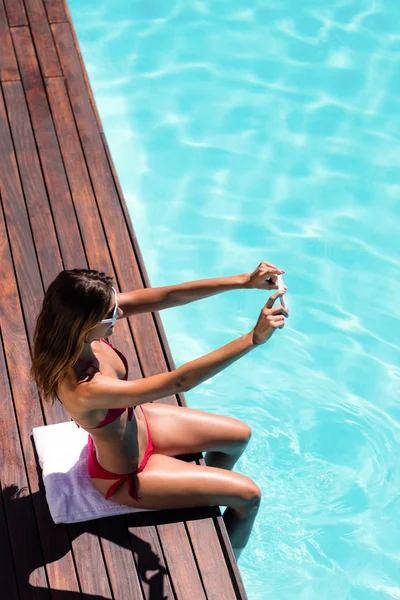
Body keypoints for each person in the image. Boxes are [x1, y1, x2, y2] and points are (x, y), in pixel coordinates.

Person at [30, 264, 288, 560]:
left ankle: (207, 499)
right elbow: (181, 381)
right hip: (127, 474)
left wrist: (244, 281)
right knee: (249, 496)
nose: (119, 314)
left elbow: (168, 296)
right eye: (112, 314)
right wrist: (253, 338)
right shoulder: (85, 387)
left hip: (142, 422)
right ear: (84, 323)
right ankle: (231, 559)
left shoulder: (82, 331)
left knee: (240, 436)